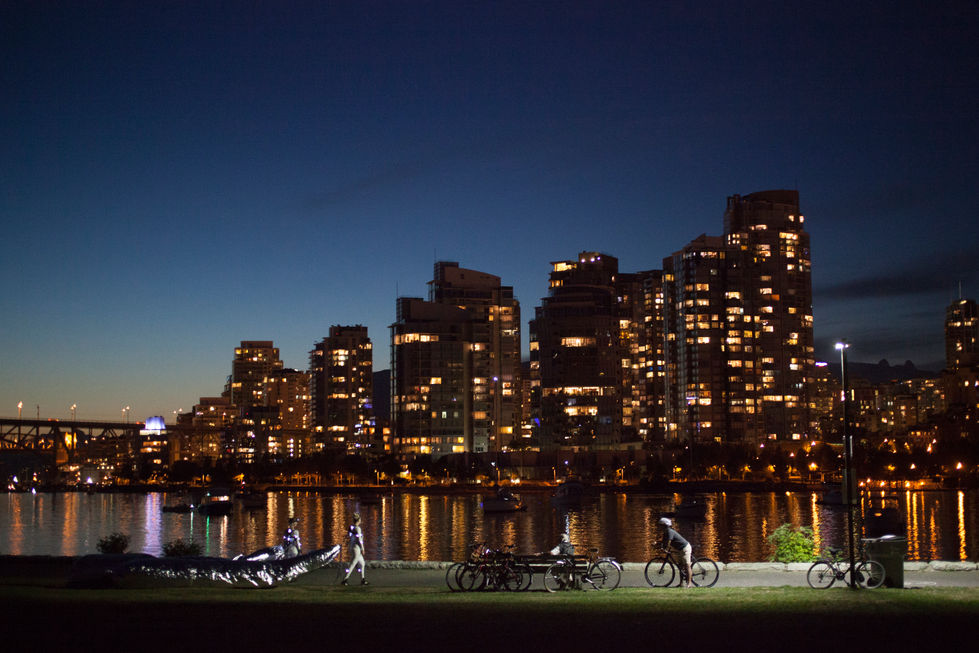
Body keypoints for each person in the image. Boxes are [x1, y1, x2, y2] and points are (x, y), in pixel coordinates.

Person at [659, 517, 693, 587]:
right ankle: (681, 584)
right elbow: (663, 541)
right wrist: (657, 543)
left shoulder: (669, 531)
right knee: (680, 566)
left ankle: (689, 583)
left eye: (661, 525)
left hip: (685, 548)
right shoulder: (665, 532)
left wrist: (665, 549)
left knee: (687, 565)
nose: (660, 527)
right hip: (679, 549)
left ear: (664, 525)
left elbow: (669, 542)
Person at [342, 513, 368, 586]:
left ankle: (363, 579)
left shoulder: (351, 527)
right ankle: (345, 579)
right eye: (360, 520)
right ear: (359, 520)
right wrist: (363, 548)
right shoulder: (358, 529)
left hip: (353, 547)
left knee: (362, 563)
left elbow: (349, 537)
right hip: (357, 549)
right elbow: (360, 540)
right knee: (352, 564)